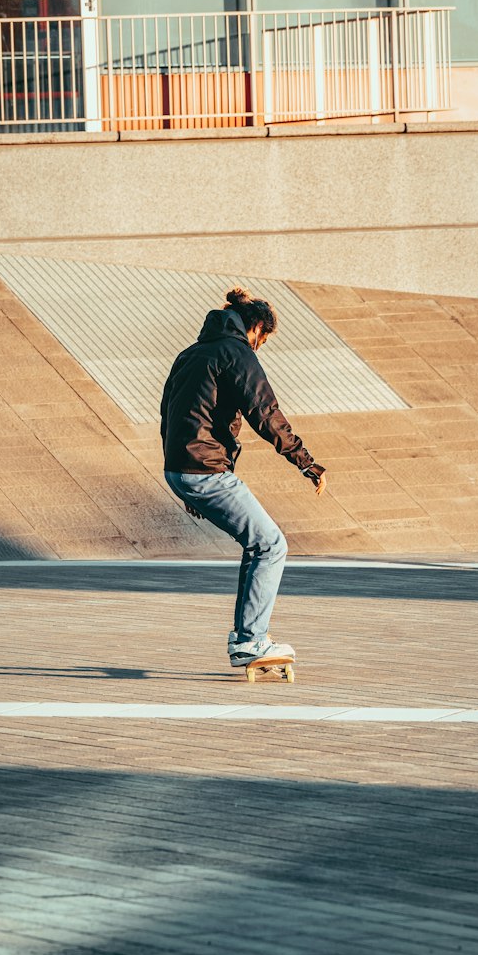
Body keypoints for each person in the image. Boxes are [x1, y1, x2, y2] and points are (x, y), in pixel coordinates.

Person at [160, 286, 327, 669]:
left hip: (181, 468)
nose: (261, 348)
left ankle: (247, 636)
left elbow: (169, 415)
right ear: (255, 328)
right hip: (204, 469)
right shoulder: (236, 353)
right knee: (270, 545)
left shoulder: (191, 353)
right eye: (263, 340)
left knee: (258, 544)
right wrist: (304, 460)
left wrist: (181, 479)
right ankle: (251, 640)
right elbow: (265, 412)